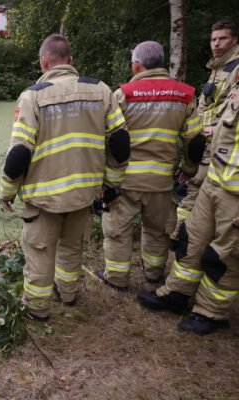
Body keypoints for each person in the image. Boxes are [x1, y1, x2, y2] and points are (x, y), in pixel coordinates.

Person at [0, 34, 130, 320]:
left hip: (44, 198)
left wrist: (7, 191)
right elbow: (120, 142)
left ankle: (37, 308)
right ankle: (68, 294)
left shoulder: (33, 96)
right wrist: (111, 182)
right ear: (71, 60)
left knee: (40, 253)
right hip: (83, 194)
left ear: (44, 62)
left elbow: (19, 152)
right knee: (72, 248)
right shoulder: (101, 90)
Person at [99, 41, 205, 290]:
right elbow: (195, 140)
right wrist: (188, 168)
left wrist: (106, 179)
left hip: (125, 181)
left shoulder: (123, 94)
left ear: (137, 65)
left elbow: (111, 139)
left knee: (117, 230)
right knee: (158, 231)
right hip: (161, 181)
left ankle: (116, 278)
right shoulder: (184, 95)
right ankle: (154, 274)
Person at [138, 79, 239, 335]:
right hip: (214, 181)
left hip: (235, 197)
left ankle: (211, 312)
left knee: (224, 257)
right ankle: (177, 293)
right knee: (191, 239)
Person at [172, 19, 239, 240]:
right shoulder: (217, 68)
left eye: (222, 38)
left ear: (234, 40)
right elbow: (206, 106)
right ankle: (182, 237)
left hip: (222, 145)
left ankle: (184, 238)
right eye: (213, 39)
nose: (216, 44)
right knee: (192, 188)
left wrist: (214, 129)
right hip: (206, 141)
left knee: (200, 190)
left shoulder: (236, 68)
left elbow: (233, 110)